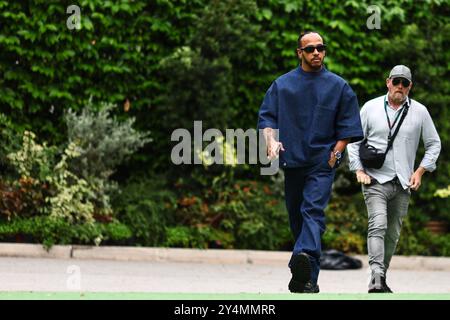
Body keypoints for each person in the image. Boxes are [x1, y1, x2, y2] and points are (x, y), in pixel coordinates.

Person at [257, 31, 364, 293]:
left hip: (321, 163)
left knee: (312, 212)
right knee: (297, 219)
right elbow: (267, 120)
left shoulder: (339, 86)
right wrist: (270, 141)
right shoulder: (282, 85)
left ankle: (301, 256)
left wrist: (335, 155)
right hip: (293, 162)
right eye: (310, 49)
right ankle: (307, 280)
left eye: (320, 48)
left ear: (324, 51)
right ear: (300, 53)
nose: (316, 52)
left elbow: (348, 128)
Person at [347, 65, 441, 293]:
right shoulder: (370, 108)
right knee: (377, 224)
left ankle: (381, 275)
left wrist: (420, 171)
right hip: (374, 180)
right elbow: (353, 141)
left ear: (410, 87)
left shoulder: (420, 112)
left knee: (392, 234)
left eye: (405, 83)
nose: (400, 86)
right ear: (388, 82)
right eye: (396, 81)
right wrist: (358, 170)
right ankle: (376, 276)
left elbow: (434, 144)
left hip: (403, 183)